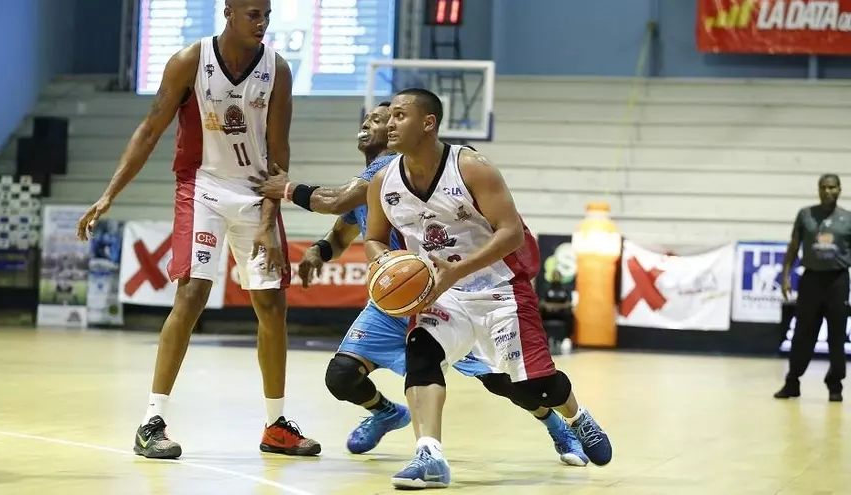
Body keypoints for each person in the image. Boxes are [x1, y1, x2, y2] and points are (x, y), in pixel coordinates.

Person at [251, 102, 590, 466]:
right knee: (342, 375)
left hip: (439, 295)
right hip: (391, 301)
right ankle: (386, 413)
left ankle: (556, 423)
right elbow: (343, 231)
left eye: (383, 119)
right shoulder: (372, 181)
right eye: (371, 118)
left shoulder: (388, 169)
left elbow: (334, 201)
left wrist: (284, 189)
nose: (370, 124)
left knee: (507, 383)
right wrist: (319, 251)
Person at [75, 0, 320, 459]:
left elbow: (279, 151)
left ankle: (275, 426)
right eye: (253, 13)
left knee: (272, 306)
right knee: (191, 295)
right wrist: (109, 194)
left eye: (267, 14)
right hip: (202, 186)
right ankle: (152, 421)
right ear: (228, 12)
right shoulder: (190, 60)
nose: (262, 22)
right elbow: (150, 129)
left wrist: (269, 221)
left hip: (254, 194)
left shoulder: (278, 69)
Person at [363, 88, 612, 489]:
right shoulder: (382, 182)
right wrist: (386, 263)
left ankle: (577, 416)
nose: (389, 123)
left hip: (499, 289)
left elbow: (511, 234)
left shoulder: (472, 168)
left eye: (399, 115)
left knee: (536, 386)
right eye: (388, 116)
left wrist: (457, 272)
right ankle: (430, 455)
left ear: (428, 122)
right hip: (440, 292)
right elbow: (374, 237)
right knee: (421, 354)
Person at [774, 173, 851, 403]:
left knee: (837, 337)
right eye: (824, 187)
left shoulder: (847, 219)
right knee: (803, 335)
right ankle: (792, 382)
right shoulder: (805, 214)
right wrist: (786, 275)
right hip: (810, 281)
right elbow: (794, 247)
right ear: (818, 190)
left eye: (832, 188)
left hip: (837, 282)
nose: (828, 192)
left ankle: (835, 385)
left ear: (840, 190)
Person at [540, 268, 574, 355]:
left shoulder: (565, 289)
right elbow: (542, 303)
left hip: (561, 313)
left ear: (561, 277)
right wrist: (549, 306)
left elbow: (568, 304)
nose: (556, 277)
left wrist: (555, 306)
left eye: (557, 275)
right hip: (549, 313)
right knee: (539, 313)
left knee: (569, 314)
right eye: (554, 275)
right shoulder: (546, 288)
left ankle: (567, 338)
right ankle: (542, 338)